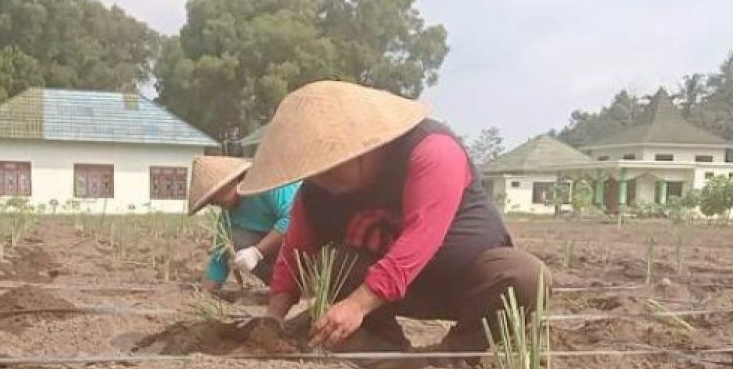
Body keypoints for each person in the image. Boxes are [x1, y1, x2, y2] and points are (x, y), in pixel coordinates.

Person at [238, 80, 546, 352]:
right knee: (338, 262)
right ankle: (387, 348)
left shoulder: (432, 151)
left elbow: (419, 240)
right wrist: (273, 319)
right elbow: (295, 253)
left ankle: (454, 354)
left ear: (364, 147)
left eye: (330, 164)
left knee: (524, 275)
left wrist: (356, 305)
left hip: (461, 282)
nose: (321, 178)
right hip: (386, 296)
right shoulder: (316, 192)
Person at [188, 155, 299, 292]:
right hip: (280, 264)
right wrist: (205, 294)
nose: (216, 203)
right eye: (212, 200)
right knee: (235, 240)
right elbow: (220, 258)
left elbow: (293, 218)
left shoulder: (267, 184)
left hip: (308, 251)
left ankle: (309, 285)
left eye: (217, 196)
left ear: (232, 182)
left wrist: (257, 252)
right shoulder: (227, 217)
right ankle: (284, 288)